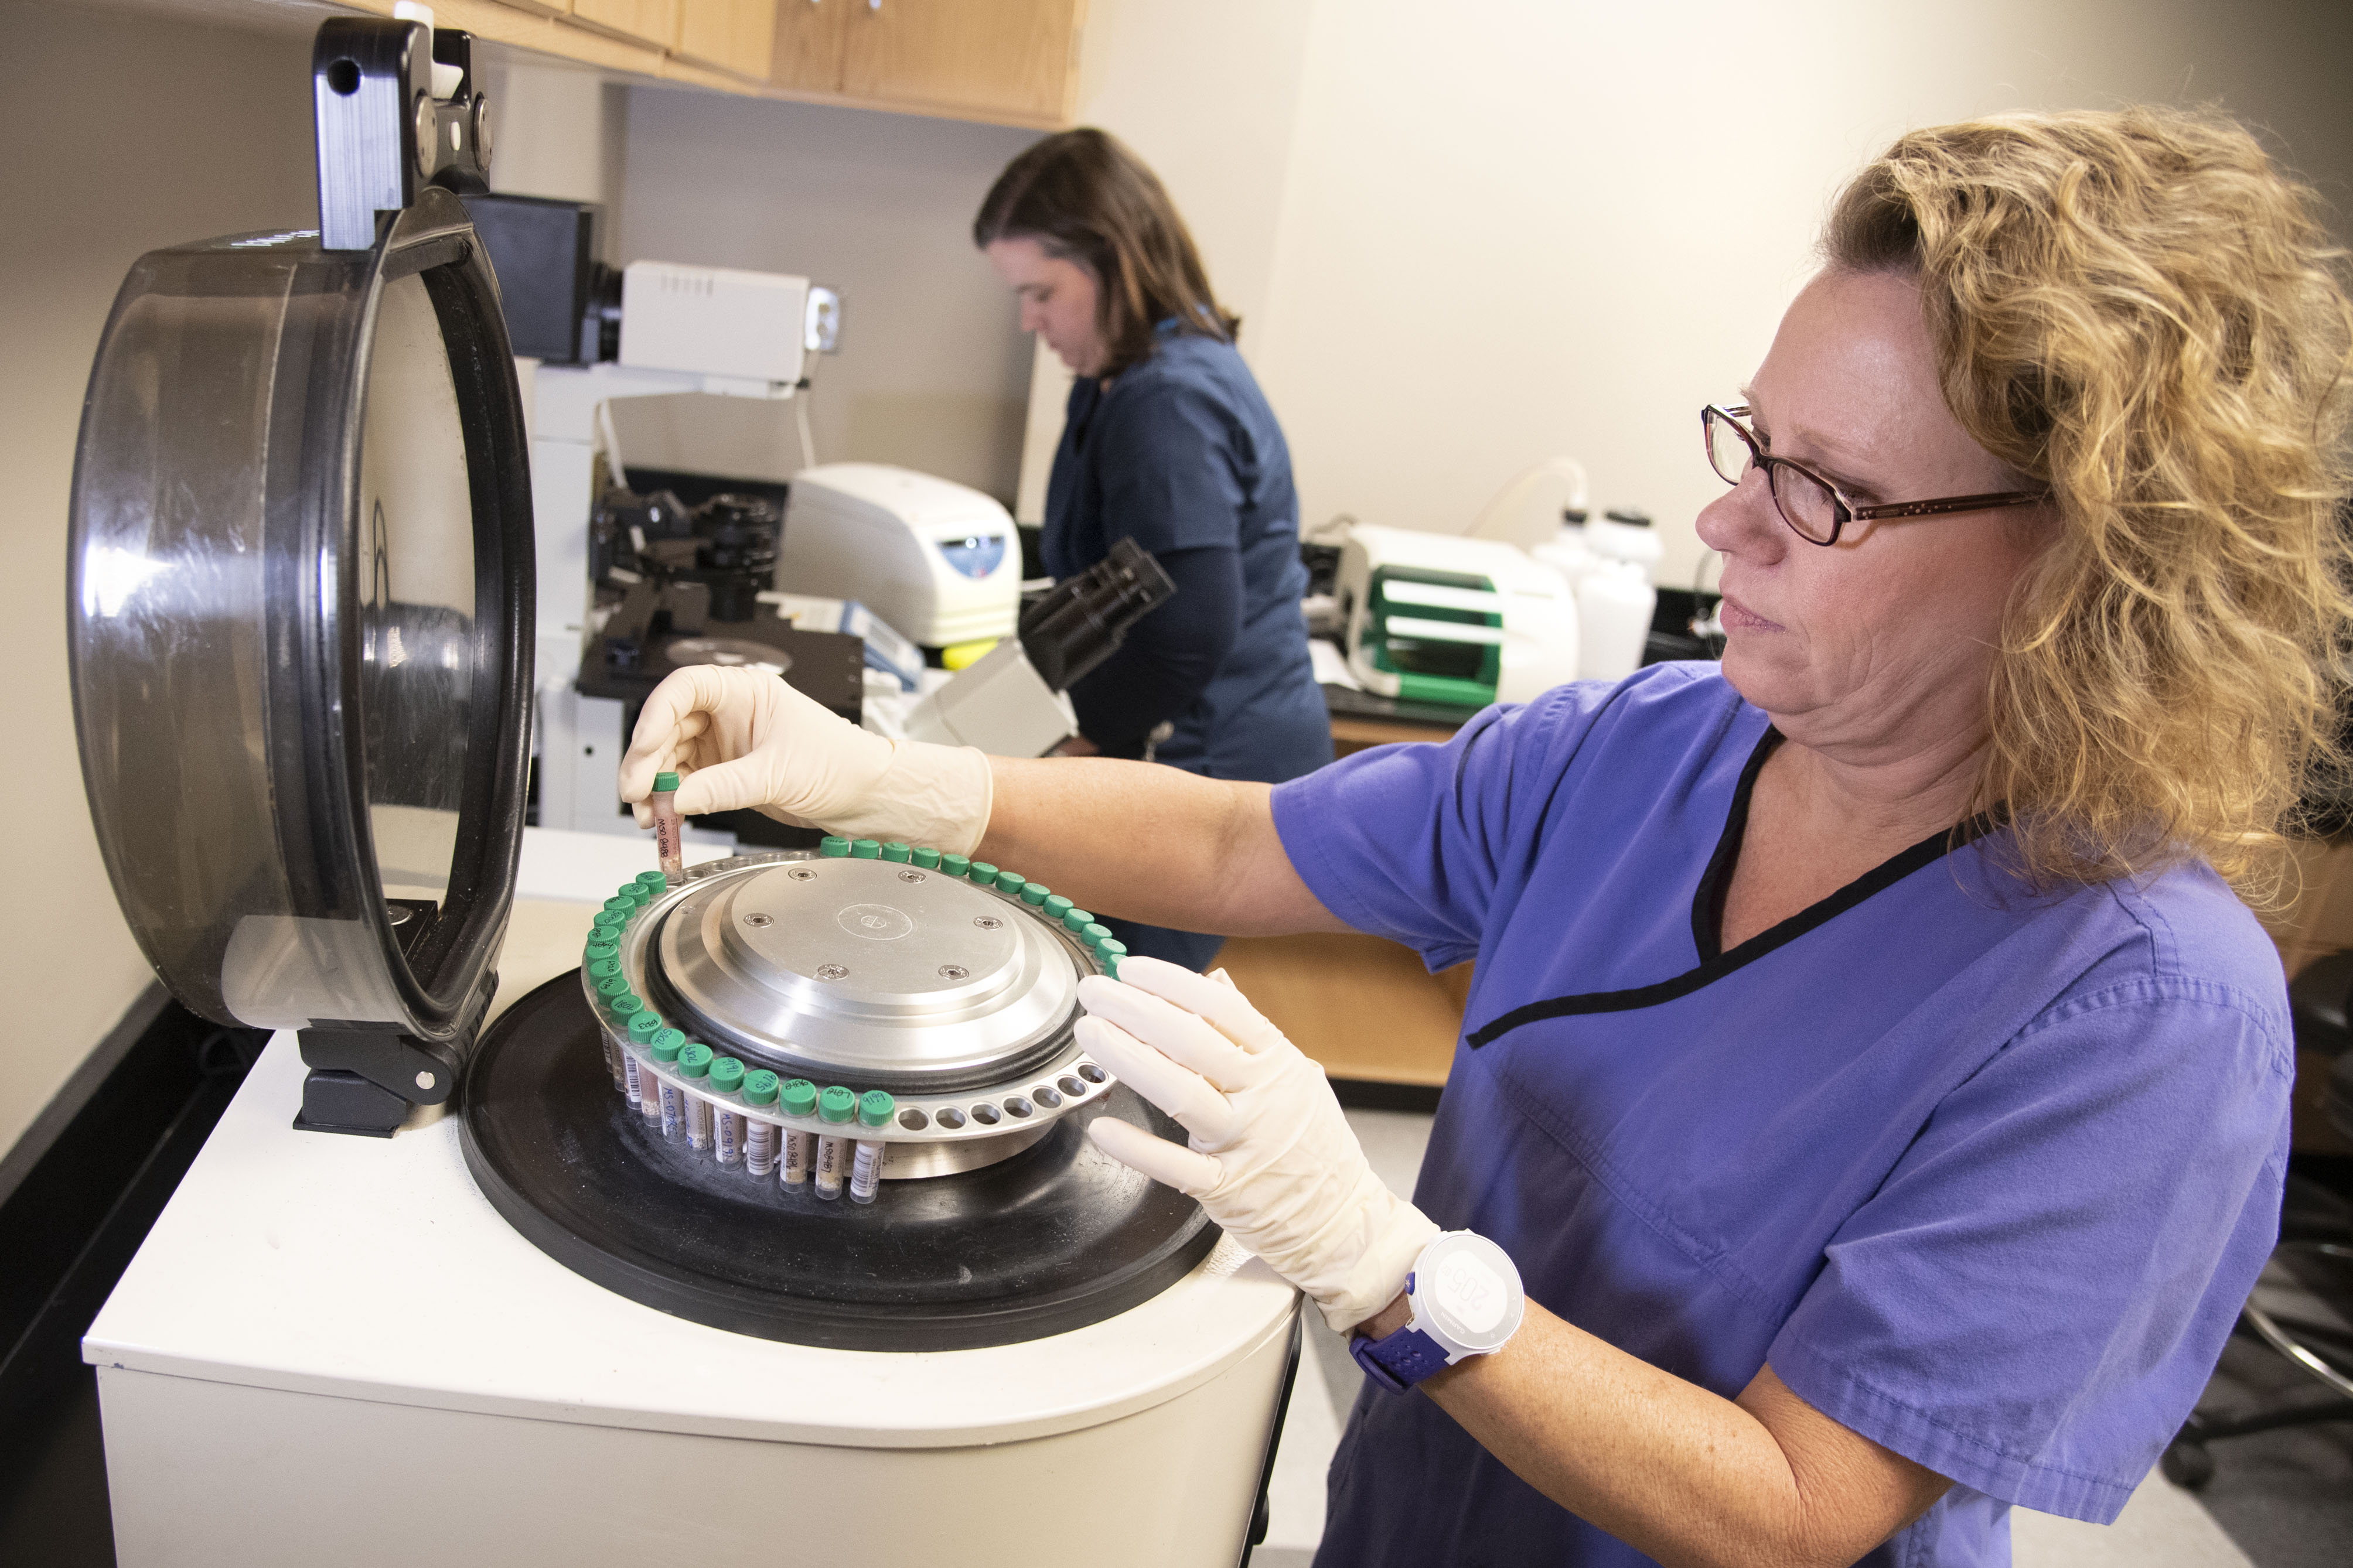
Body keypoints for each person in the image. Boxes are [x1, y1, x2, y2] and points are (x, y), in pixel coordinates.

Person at [621, 107, 2352, 1567]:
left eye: (1827, 491)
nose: (1725, 519)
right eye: (1751, 437)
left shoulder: (2141, 1005)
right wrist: (885, 780)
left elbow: (1804, 1504)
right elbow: (1240, 845)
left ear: (2090, 560)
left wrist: (1392, 1268)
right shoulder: (1656, 749)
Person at [971, 128, 1332, 971]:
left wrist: (1084, 745)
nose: (1029, 320)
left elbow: (1191, 628)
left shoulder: (1166, 401)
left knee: (1111, 1000)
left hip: (1209, 755)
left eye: (1042, 292)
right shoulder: (1130, 377)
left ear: (1111, 262)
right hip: (1197, 737)